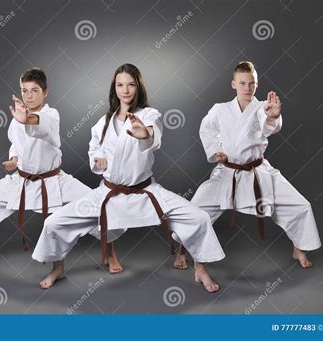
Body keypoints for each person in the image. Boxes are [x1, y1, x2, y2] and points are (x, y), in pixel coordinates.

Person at [32, 63, 225, 293]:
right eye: (120, 84)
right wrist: (98, 160)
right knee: (54, 222)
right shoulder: (103, 123)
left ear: (138, 87)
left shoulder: (149, 115)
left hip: (145, 192)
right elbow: (95, 150)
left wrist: (145, 134)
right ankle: (58, 268)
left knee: (199, 217)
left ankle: (201, 268)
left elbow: (154, 134)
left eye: (131, 84)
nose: (125, 89)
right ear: (114, 88)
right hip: (108, 193)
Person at [0, 68, 123, 273]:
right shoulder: (17, 118)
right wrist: (13, 161)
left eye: (34, 90)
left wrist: (26, 120)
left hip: (53, 181)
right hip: (21, 181)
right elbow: (15, 145)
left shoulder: (51, 115)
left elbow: (41, 125)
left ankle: (109, 253)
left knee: (99, 207)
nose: (29, 96)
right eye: (24, 91)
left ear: (45, 92)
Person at [175, 61, 321, 269]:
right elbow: (206, 129)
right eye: (243, 83)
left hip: (258, 172)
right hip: (228, 172)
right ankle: (181, 251)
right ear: (233, 84)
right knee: (196, 211)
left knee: (300, 205)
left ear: (257, 84)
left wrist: (274, 116)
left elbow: (269, 125)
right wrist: (216, 151)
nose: (247, 88)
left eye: (252, 83)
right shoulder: (220, 109)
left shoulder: (263, 108)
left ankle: (300, 247)